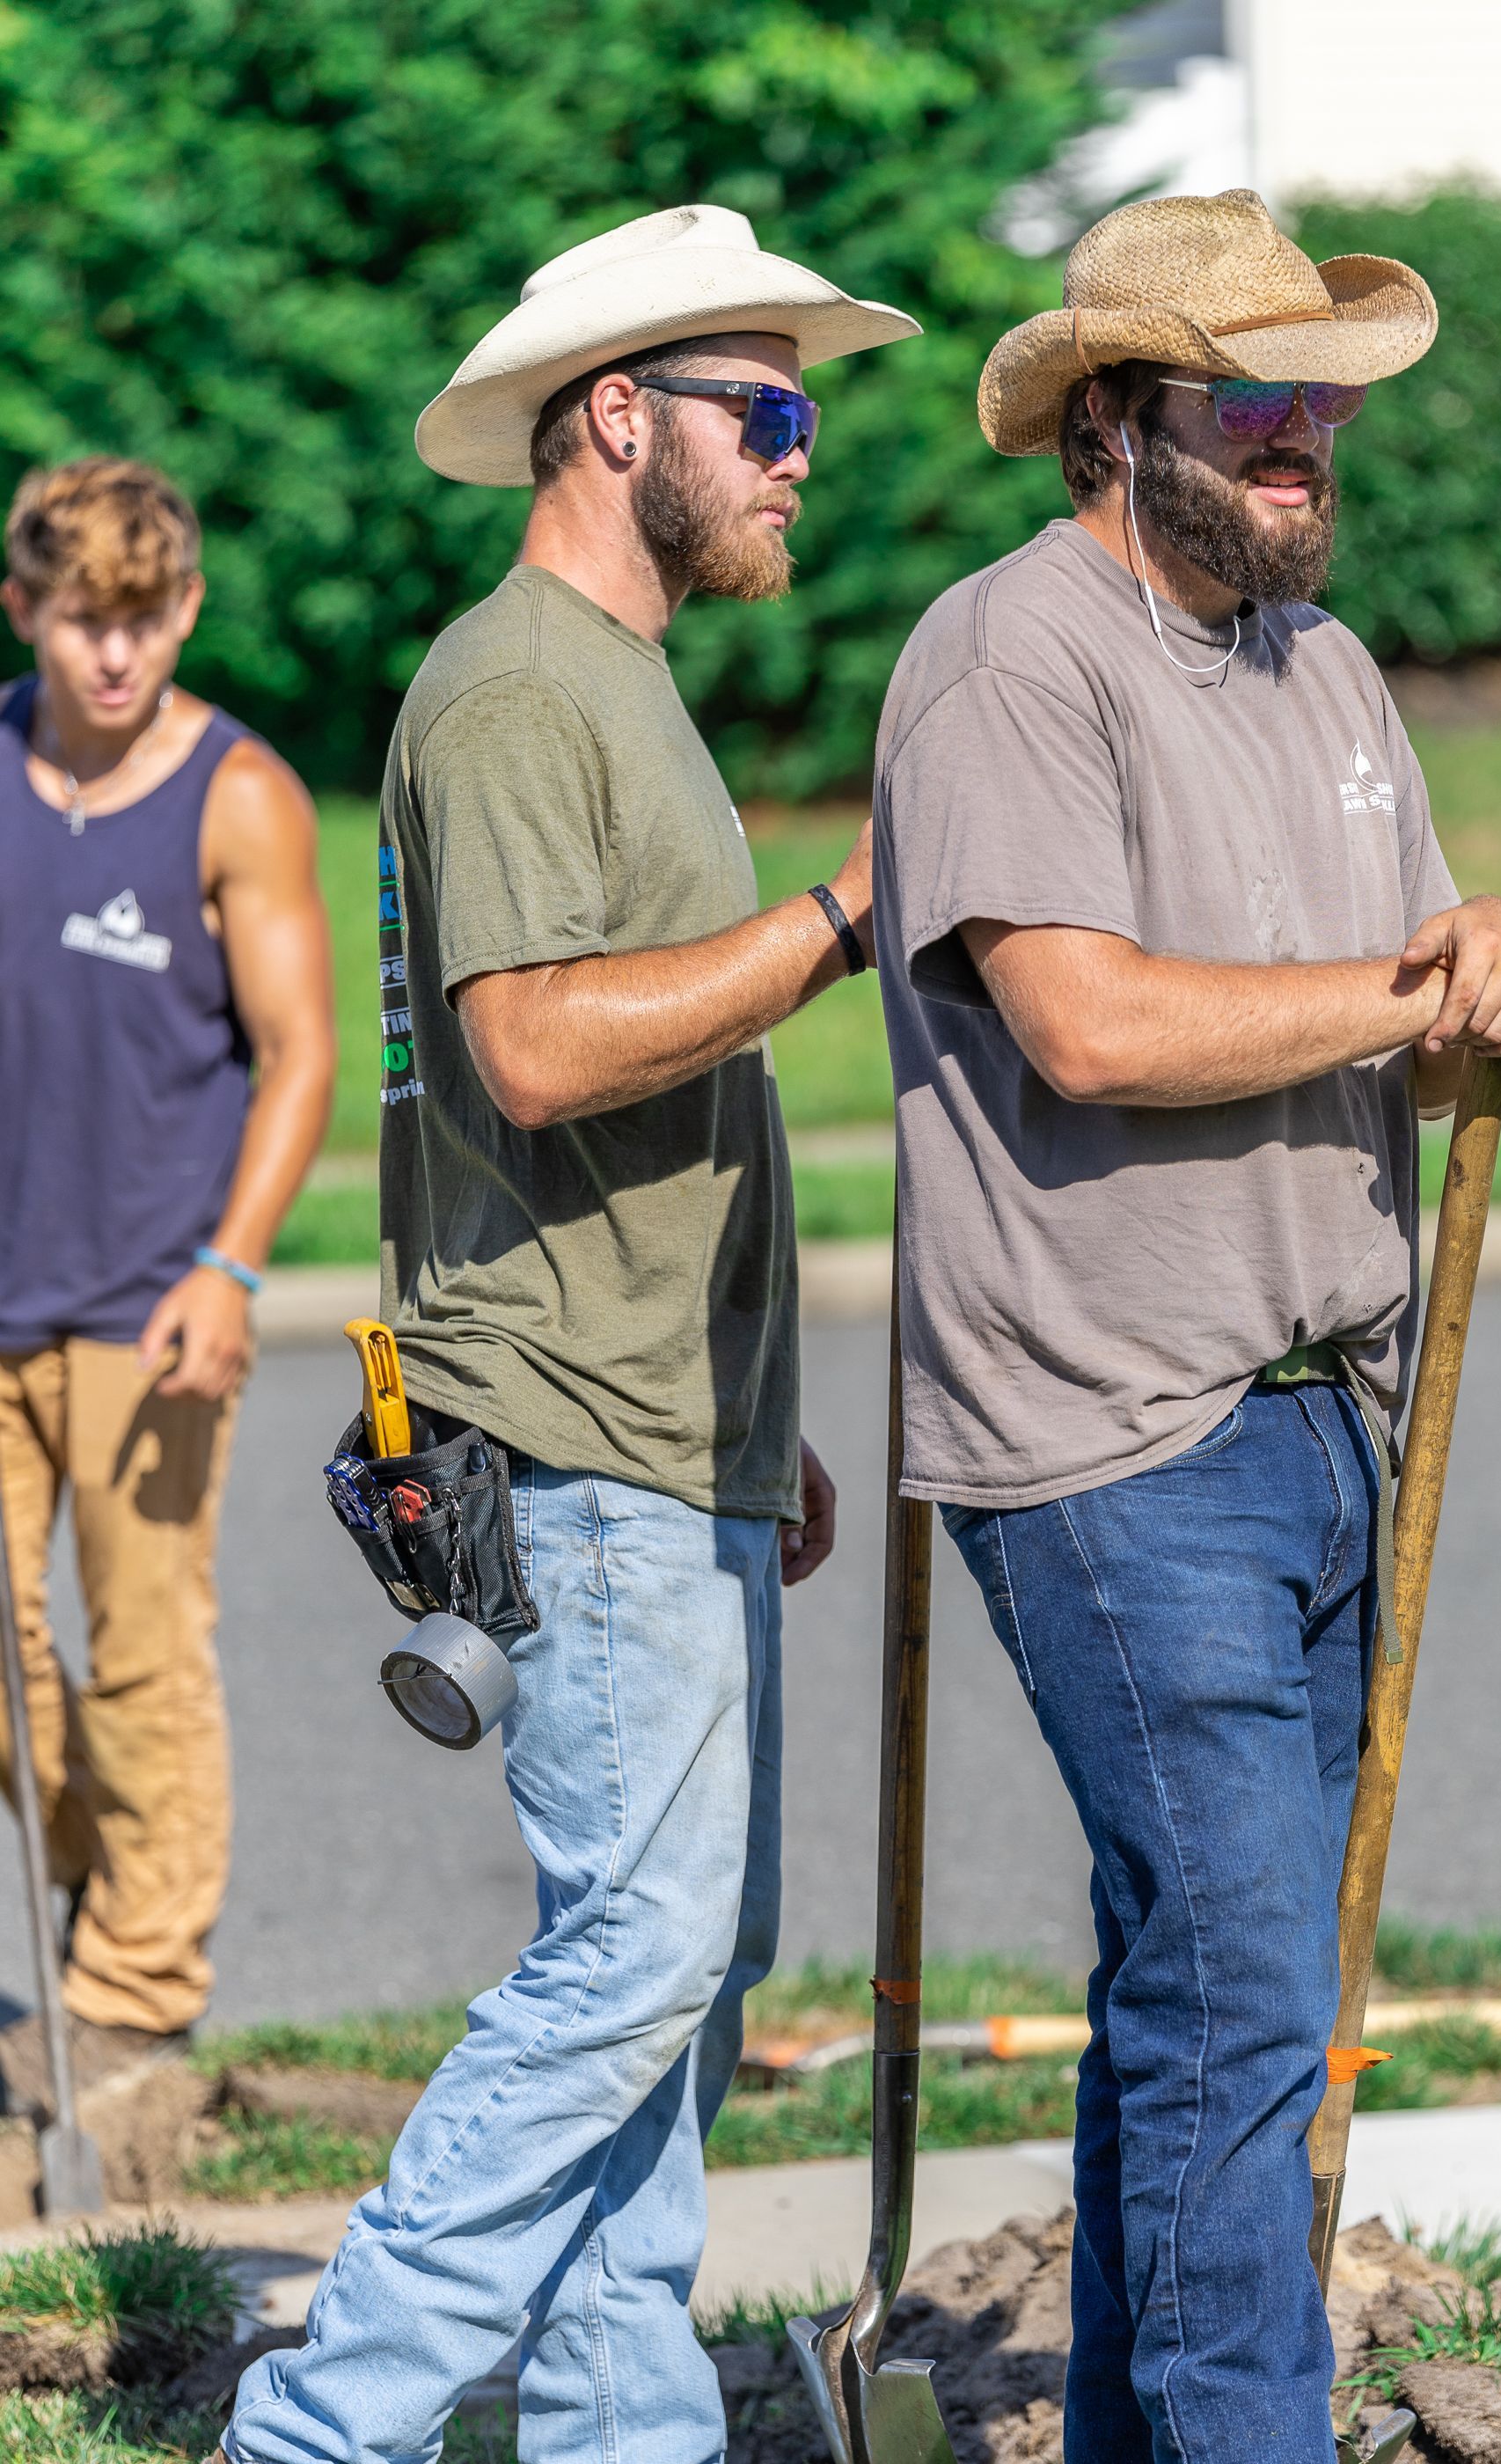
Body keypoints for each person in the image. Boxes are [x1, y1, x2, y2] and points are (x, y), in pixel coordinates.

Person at [872, 190, 1501, 2464]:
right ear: (1112, 421)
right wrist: (1405, 990)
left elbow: (1410, 979)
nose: (1308, 440)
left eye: (1325, 403)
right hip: (1111, 1435)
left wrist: (1491, 953)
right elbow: (1084, 1023)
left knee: (1198, 1996)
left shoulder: (1331, 672)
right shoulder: (1007, 660)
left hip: (1320, 1424)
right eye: (1259, 400)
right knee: (1238, 1998)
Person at [224, 205, 916, 2464]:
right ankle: (318, 2428)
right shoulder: (521, 685)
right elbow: (529, 1047)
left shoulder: (616, 680)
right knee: (630, 1960)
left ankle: (627, 2430)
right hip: (574, 1429)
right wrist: (836, 918)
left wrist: (754, 1409)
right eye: (768, 407)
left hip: (659, 1419)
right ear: (620, 415)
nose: (801, 453)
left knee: (679, 1981)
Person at [0, 458, 335, 2089]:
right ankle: (100, 1882)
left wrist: (230, 1266)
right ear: (25, 610)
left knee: (140, 1657)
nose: (117, 653)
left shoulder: (237, 794)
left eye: (145, 619)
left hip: (151, 1301)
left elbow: (300, 1055)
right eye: (86, 621)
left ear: (188, 607)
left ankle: (136, 1993)